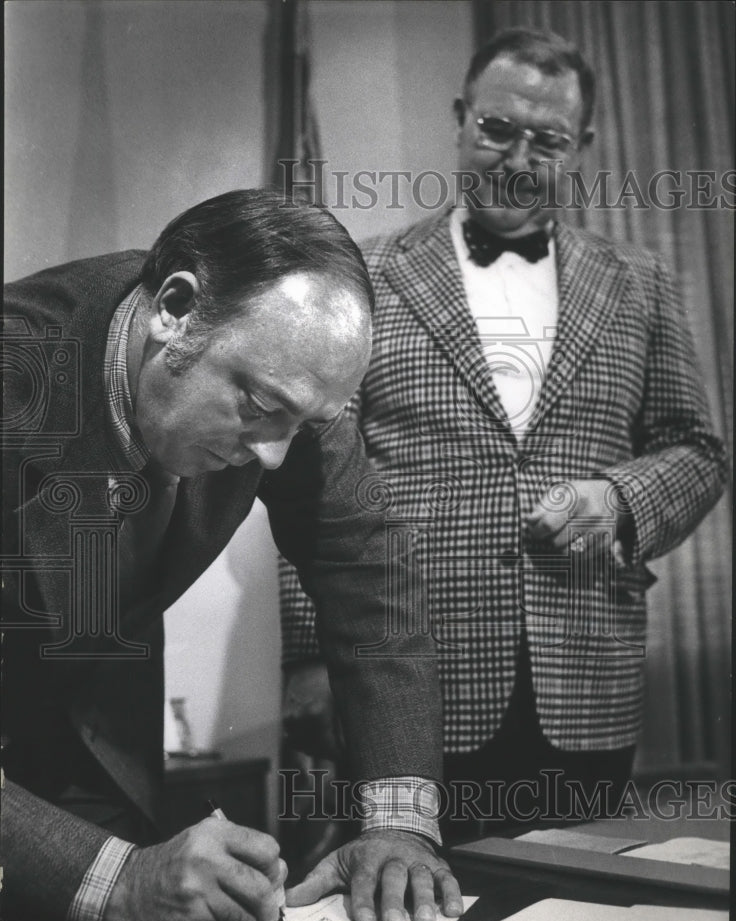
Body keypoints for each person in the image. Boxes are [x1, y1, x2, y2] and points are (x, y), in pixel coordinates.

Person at [279, 27, 727, 843]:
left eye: (547, 140)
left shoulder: (644, 282)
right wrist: (308, 655)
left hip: (584, 673)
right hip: (406, 672)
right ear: (460, 119)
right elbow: (309, 467)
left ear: (582, 146)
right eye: (496, 129)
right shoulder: (367, 274)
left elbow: (698, 451)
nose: (518, 157)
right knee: (404, 912)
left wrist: (620, 500)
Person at [1, 189, 463, 921]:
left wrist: (399, 824)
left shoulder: (286, 376)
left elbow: (371, 573)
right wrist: (118, 881)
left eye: (303, 425)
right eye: (259, 408)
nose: (274, 456)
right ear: (174, 309)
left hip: (94, 752)